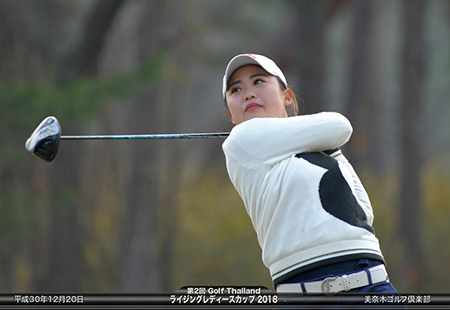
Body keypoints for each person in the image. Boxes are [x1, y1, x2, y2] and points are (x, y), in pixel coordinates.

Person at [221, 53, 399, 294]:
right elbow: (340, 125)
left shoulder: (323, 147)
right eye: (235, 90)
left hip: (370, 284)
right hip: (303, 293)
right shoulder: (241, 141)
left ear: (287, 96)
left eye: (259, 81)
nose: (249, 93)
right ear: (231, 115)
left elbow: (363, 211)